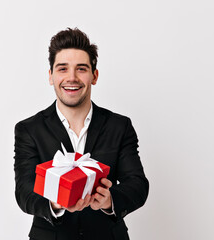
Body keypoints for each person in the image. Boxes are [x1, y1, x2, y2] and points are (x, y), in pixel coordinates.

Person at [14, 28, 149, 240]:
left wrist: (109, 200)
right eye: (62, 69)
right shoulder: (29, 129)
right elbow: (24, 191)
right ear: (51, 76)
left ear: (94, 76)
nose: (72, 78)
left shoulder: (119, 126)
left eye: (81, 69)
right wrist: (54, 203)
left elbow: (138, 184)